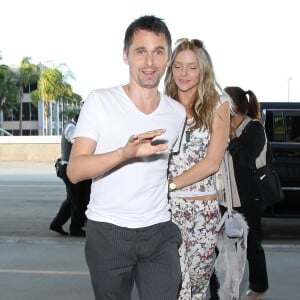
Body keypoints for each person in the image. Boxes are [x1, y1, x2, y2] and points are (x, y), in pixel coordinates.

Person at [67, 15, 186, 299]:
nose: (149, 62)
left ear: (168, 58)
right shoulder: (100, 101)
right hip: (108, 232)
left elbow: (162, 172)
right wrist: (125, 153)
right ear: (126, 55)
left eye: (158, 52)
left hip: (158, 231)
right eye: (140, 51)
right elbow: (75, 170)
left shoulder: (176, 113)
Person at [164, 38, 230, 299]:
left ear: (203, 69)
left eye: (192, 67)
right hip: (165, 210)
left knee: (198, 286)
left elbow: (212, 162)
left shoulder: (218, 104)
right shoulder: (162, 104)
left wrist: (169, 184)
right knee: (174, 284)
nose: (184, 74)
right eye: (178, 66)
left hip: (202, 211)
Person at [225, 86, 269, 300]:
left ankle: (259, 286)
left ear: (233, 106)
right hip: (226, 198)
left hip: (248, 197)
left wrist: (231, 136)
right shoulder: (220, 127)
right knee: (224, 248)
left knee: (251, 245)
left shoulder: (254, 128)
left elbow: (244, 158)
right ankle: (220, 291)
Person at [50, 111, 91, 237]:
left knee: (75, 199)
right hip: (69, 168)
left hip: (78, 167)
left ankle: (57, 224)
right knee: (78, 200)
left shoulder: (77, 127)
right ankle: (75, 229)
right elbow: (75, 140)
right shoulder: (71, 127)